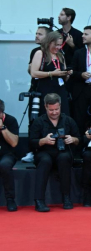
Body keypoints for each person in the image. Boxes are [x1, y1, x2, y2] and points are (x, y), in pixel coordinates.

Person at [29, 93, 80, 212]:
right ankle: (39, 200)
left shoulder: (68, 120)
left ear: (60, 106)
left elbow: (79, 139)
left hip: (62, 152)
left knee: (64, 158)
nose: (54, 112)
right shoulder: (38, 121)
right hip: (44, 153)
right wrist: (43, 141)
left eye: (56, 109)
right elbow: (31, 143)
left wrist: (73, 139)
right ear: (45, 107)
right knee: (45, 161)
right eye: (51, 110)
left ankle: (66, 198)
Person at [23, 26, 50, 163]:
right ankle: (32, 150)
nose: (36, 36)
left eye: (40, 34)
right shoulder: (35, 51)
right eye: (36, 33)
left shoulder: (53, 51)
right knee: (33, 120)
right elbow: (31, 71)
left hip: (49, 91)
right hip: (35, 90)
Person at [30, 31, 73, 116]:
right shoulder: (40, 53)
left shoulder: (61, 56)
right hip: (46, 90)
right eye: (56, 45)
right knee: (45, 115)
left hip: (60, 90)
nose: (58, 47)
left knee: (63, 115)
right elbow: (33, 73)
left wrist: (67, 74)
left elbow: (64, 78)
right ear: (49, 42)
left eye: (60, 45)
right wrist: (51, 74)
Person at [0, 99, 19, 211]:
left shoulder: (11, 120)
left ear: (2, 113)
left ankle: (10, 199)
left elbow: (14, 143)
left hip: (7, 153)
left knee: (4, 165)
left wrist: (2, 128)